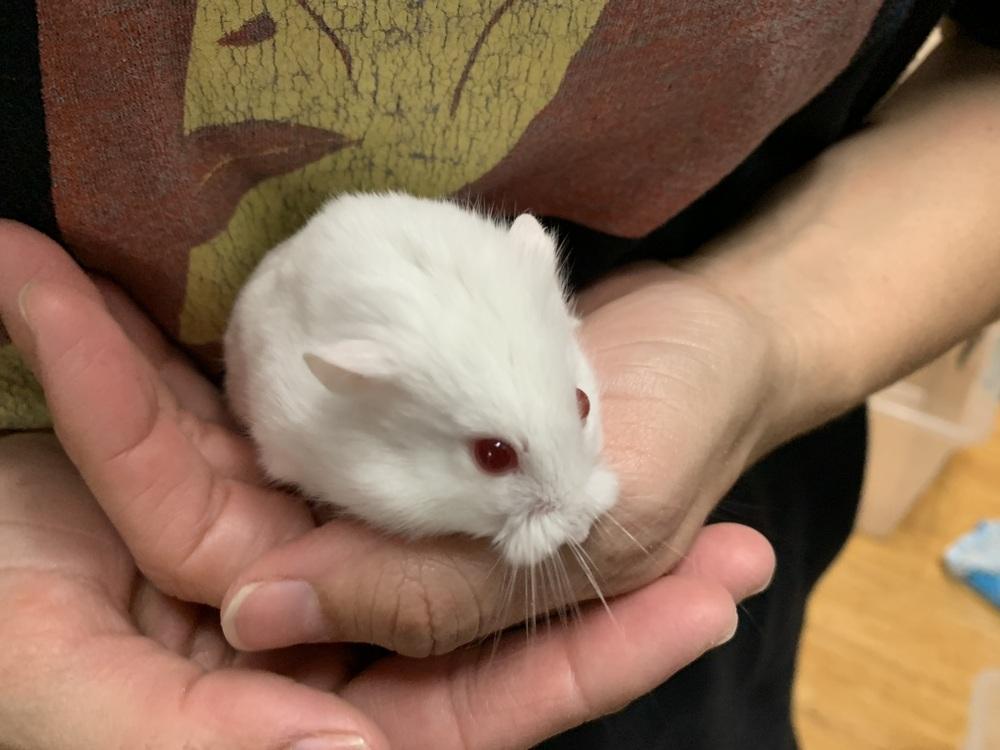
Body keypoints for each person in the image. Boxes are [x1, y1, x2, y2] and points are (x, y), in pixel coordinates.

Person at [0, 2, 998, 748]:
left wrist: (758, 329)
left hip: (696, 643)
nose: (579, 505)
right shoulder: (324, 388)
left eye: (575, 406)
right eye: (489, 453)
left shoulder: (513, 282)